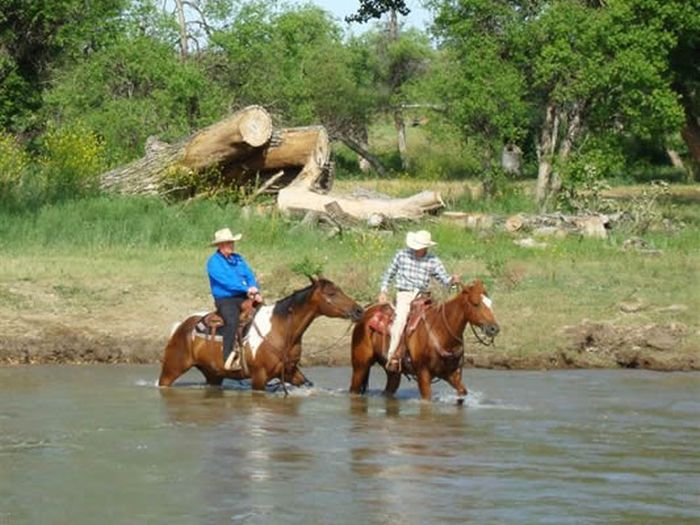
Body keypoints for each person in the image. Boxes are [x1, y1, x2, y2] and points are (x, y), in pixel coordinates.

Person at [378, 230, 459, 371]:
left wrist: (452, 280)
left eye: (420, 247)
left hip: (423, 296)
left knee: (437, 320)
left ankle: (432, 355)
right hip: (405, 294)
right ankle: (393, 356)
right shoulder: (401, 255)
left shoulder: (433, 260)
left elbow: (444, 280)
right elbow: (388, 274)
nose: (417, 249)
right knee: (401, 320)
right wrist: (383, 290)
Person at [206, 228, 262, 370]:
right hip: (225, 299)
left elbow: (249, 275)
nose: (231, 245)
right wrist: (246, 289)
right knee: (232, 321)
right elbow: (225, 281)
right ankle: (227, 357)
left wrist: (254, 289)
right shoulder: (213, 262)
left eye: (231, 243)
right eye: (227, 243)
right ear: (220, 246)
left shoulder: (238, 259)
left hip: (243, 295)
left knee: (263, 313)